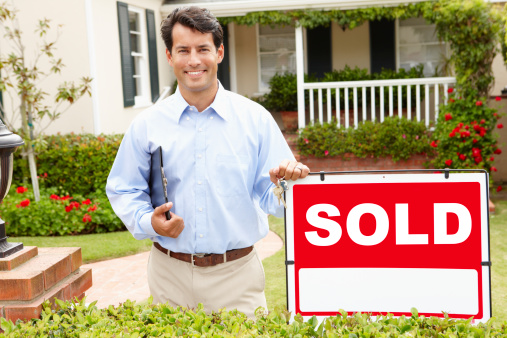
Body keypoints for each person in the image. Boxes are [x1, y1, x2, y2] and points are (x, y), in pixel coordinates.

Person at [106, 6, 310, 318]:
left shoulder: (255, 120)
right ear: (170, 56)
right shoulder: (147, 125)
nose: (194, 60)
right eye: (183, 50)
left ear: (219, 52)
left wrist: (286, 184)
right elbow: (123, 189)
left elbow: (276, 201)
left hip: (237, 277)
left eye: (203, 49)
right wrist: (149, 222)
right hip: (168, 274)